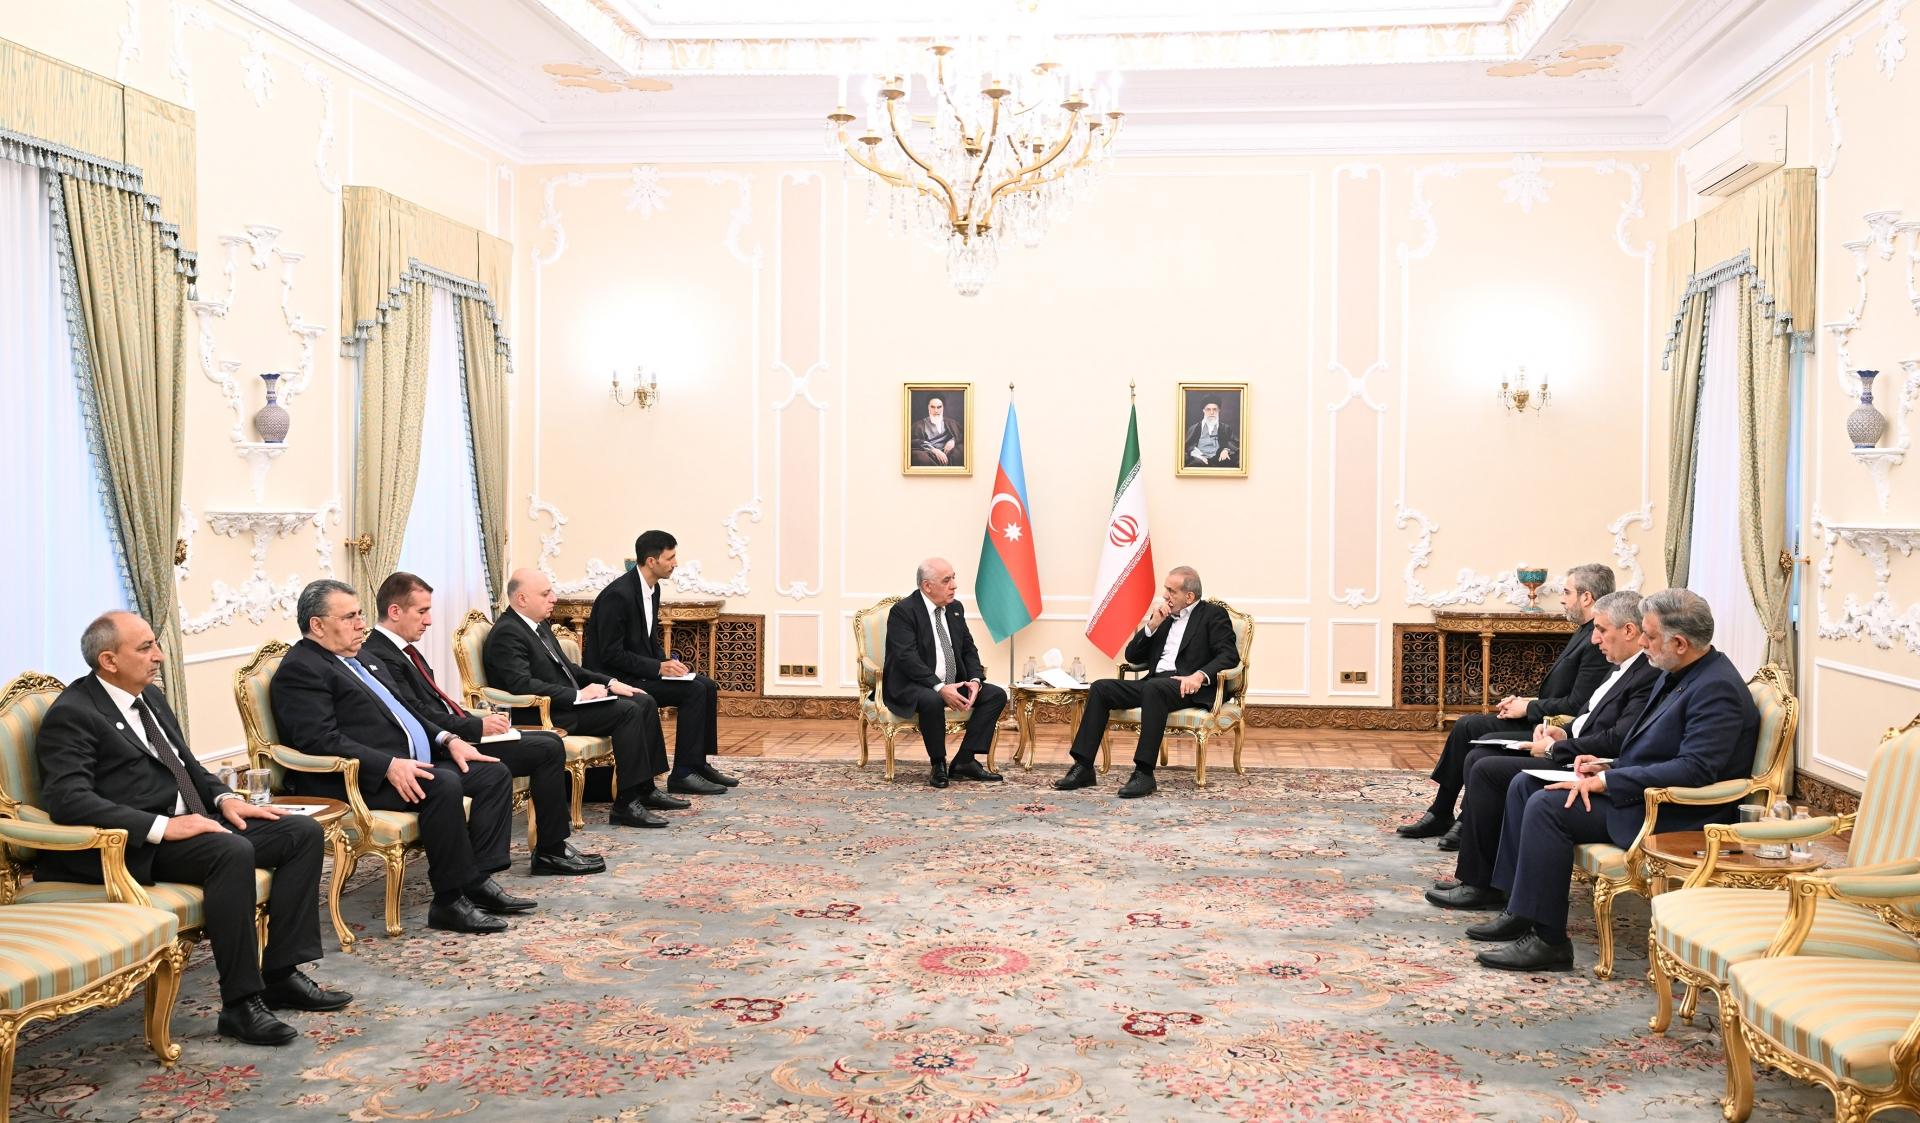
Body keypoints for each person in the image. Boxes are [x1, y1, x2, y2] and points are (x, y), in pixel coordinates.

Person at [37, 611, 350, 1046]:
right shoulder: (74, 713)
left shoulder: (149, 697)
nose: (159, 656)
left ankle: (281, 974)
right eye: (145, 648)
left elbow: (186, 764)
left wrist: (226, 799)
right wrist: (162, 826)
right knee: (231, 852)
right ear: (109, 660)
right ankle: (240, 1003)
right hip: (135, 844)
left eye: (155, 644)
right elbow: (67, 799)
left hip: (198, 822)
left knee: (300, 833)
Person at [1472, 589, 1759, 971]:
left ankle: (1549, 942)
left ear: (1679, 643)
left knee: (1547, 807)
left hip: (1672, 812)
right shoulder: (1677, 671)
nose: (1643, 642)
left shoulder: (1716, 687)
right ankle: (1520, 910)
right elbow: (1654, 748)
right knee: (1526, 785)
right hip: (1639, 789)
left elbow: (1695, 769)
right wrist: (1607, 766)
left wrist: (1609, 782)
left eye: (1650, 636)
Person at [272, 579, 530, 936]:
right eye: (349, 617)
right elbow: (319, 740)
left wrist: (448, 738)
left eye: (360, 614)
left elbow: (408, 710)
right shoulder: (301, 669)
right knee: (443, 784)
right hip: (356, 779)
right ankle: (449, 902)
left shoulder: (361, 657)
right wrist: (388, 765)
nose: (361, 624)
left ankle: (476, 880)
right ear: (317, 625)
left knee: (492, 773)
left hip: (408, 762)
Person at [1424, 590, 1658, 908]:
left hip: (1585, 762)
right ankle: (1481, 875)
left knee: (1486, 768)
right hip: (1572, 746)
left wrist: (1557, 746)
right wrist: (1561, 730)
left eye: (1601, 630)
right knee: (1479, 755)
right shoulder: (1623, 666)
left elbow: (1617, 738)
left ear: (1628, 630)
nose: (1595, 639)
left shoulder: (1646, 673)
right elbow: (1590, 719)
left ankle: (1483, 884)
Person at [362, 572, 604, 876]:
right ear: (395, 611)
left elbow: (434, 705)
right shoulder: (378, 654)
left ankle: (550, 848)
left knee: (549, 743)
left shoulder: (402, 649)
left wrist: (475, 719)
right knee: (546, 748)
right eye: (422, 612)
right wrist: (475, 729)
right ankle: (546, 853)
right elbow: (417, 713)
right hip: (441, 745)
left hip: (454, 734)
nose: (429, 621)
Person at [1396, 562, 1616, 845]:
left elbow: (1576, 705)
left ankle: (1469, 818)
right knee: (1465, 726)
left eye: (1566, 592)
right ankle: (1441, 811)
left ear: (1586, 597)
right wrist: (1524, 701)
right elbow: (1567, 692)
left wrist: (1527, 708)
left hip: (1553, 726)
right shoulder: (1584, 631)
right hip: (1542, 715)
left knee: (1482, 740)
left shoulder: (1596, 641)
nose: (1562, 598)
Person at [484, 568, 680, 828]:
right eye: (545, 594)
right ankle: (626, 805)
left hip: (565, 704)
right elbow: (522, 685)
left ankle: (645, 788)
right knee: (628, 711)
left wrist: (611, 682)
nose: (553, 598)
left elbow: (571, 669)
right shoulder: (507, 633)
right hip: (542, 714)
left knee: (643, 700)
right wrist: (578, 694)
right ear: (522, 599)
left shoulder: (537, 625)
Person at [1054, 566, 1239, 799]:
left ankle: (1144, 773)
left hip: (1187, 686)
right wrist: (1152, 625)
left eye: (1171, 591)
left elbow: (1229, 655)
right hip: (1155, 683)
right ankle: (1083, 767)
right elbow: (1132, 656)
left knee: (1154, 688)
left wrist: (1199, 676)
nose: (1165, 595)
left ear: (1189, 596)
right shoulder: (1164, 617)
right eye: (1166, 589)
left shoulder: (1212, 615)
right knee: (1101, 688)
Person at [583, 531, 738, 796]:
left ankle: (697, 764)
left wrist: (667, 662)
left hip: (637, 672)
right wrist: (657, 668)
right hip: (616, 679)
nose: (675, 563)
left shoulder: (652, 589)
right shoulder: (617, 595)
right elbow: (610, 654)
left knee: (706, 685)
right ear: (651, 561)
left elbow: (648, 640)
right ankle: (683, 774)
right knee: (693, 691)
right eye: (670, 558)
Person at [882, 557, 1008, 787]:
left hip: (953, 682)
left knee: (996, 695)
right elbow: (907, 658)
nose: (954, 585)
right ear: (927, 586)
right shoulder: (903, 612)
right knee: (931, 699)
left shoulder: (955, 608)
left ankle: (965, 760)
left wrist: (975, 680)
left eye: (953, 578)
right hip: (914, 685)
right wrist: (939, 687)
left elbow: (968, 648)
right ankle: (938, 763)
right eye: (946, 580)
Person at [1183, 400, 1240, 468]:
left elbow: (1234, 443)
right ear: (1203, 410)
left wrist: (1226, 450)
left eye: (1215, 409)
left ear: (1219, 410)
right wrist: (1197, 455)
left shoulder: (1225, 428)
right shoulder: (1195, 428)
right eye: (1208, 409)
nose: (1212, 412)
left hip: (1219, 460)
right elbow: (1187, 446)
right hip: (1199, 460)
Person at [910, 396, 963, 467]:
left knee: (961, 450)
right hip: (929, 454)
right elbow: (914, 441)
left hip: (948, 453)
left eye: (939, 407)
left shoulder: (951, 422)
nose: (936, 410)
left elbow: (961, 434)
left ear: (943, 408)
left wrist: (953, 441)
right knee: (919, 457)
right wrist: (933, 450)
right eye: (932, 407)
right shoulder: (919, 425)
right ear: (928, 408)